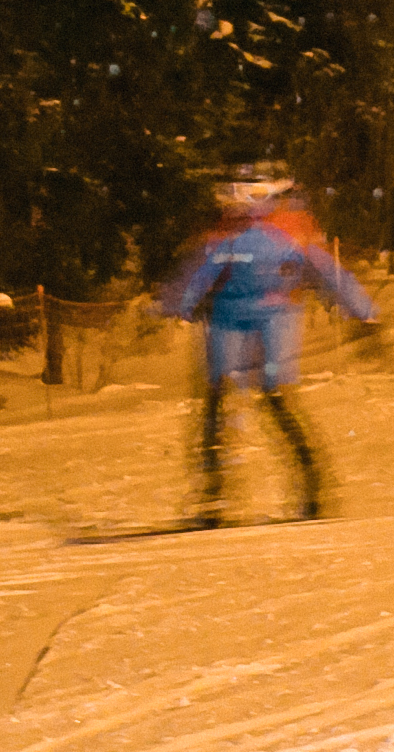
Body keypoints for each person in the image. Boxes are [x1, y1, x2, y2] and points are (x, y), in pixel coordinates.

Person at [153, 165, 378, 525]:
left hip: (275, 317)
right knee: (216, 396)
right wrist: (175, 305)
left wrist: (364, 313)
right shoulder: (223, 230)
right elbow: (198, 270)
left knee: (274, 396)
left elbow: (328, 271)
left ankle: (312, 489)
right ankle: (215, 494)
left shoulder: (290, 227)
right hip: (229, 316)